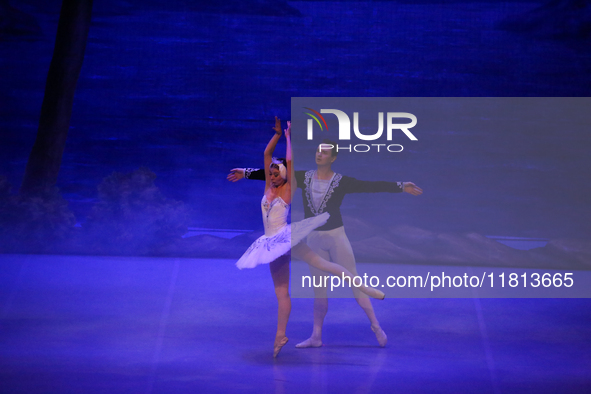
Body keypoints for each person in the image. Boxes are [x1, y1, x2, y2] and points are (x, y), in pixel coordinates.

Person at [229, 140, 423, 349]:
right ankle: (316, 336)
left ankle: (375, 325)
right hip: (314, 237)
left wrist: (401, 186)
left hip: (336, 236)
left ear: (333, 158)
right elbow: (272, 173)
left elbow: (369, 186)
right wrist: (245, 172)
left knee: (352, 281)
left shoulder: (341, 181)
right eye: (318, 151)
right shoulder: (305, 177)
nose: (319, 154)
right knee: (319, 290)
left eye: (325, 152)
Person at [236, 117, 385, 358]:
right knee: (282, 292)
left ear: (284, 176)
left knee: (323, 264)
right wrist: (274, 136)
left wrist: (287, 137)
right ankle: (280, 336)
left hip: (286, 238)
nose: (272, 176)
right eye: (271, 173)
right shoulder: (268, 188)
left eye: (276, 173)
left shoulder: (286, 188)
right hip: (271, 244)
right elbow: (266, 155)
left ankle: (363, 286)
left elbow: (290, 162)